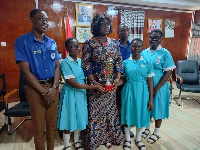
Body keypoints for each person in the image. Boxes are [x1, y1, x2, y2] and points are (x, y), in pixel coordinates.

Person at [14, 9, 60, 150]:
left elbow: (57, 67)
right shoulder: (22, 41)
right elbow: (26, 71)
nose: (45, 22)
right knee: (39, 128)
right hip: (35, 90)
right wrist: (43, 92)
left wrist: (54, 88)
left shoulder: (51, 42)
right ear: (31, 20)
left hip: (53, 88)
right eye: (40, 18)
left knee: (52, 126)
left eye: (46, 20)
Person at [81, 14, 124, 150]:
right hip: (96, 85)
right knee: (96, 113)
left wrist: (117, 78)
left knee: (110, 111)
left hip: (111, 84)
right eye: (102, 24)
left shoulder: (114, 43)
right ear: (96, 26)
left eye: (107, 24)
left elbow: (118, 61)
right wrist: (93, 81)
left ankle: (110, 137)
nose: (106, 26)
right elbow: (85, 63)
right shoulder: (90, 42)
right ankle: (96, 140)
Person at [57, 38, 104, 150]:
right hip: (70, 94)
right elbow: (73, 83)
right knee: (68, 118)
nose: (77, 48)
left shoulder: (80, 61)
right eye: (73, 46)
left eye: (78, 46)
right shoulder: (65, 62)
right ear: (67, 49)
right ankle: (67, 144)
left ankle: (77, 142)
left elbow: (86, 78)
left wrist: (95, 82)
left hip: (81, 94)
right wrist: (94, 87)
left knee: (79, 117)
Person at [141, 29, 176, 144]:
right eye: (152, 37)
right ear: (149, 38)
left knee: (157, 108)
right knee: (147, 107)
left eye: (158, 37)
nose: (155, 39)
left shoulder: (165, 53)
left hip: (159, 85)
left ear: (161, 39)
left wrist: (156, 89)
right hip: (146, 84)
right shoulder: (144, 52)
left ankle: (156, 132)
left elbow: (168, 72)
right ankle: (147, 128)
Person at [121, 38, 154, 150]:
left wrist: (151, 99)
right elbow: (122, 79)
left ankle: (138, 139)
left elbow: (150, 81)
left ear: (142, 47)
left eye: (139, 46)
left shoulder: (147, 63)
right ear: (130, 48)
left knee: (140, 114)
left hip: (143, 92)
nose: (136, 48)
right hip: (128, 91)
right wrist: (115, 83)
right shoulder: (125, 63)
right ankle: (127, 140)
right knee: (127, 115)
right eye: (134, 46)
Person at [117, 24, 134, 138]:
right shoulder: (113, 45)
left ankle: (126, 126)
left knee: (128, 104)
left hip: (129, 80)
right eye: (122, 30)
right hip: (116, 79)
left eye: (127, 30)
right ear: (118, 32)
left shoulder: (133, 46)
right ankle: (117, 126)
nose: (125, 32)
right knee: (117, 104)